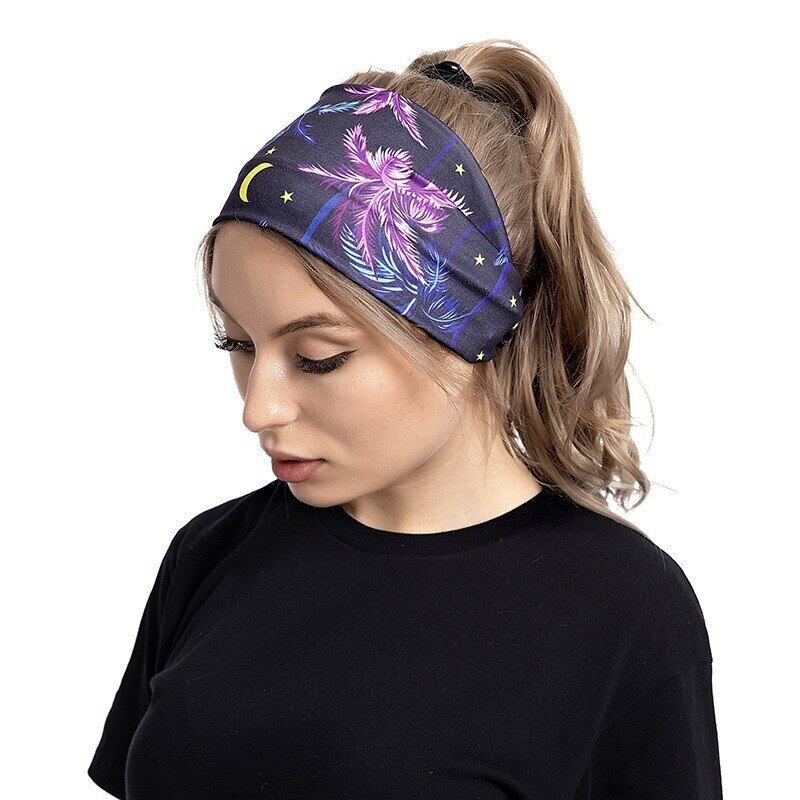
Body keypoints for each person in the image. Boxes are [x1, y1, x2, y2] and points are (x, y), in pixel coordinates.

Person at [87, 38, 723, 799]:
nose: (259, 408)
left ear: (466, 331)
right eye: (238, 344)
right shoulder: (211, 553)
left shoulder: (622, 609)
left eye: (319, 357)